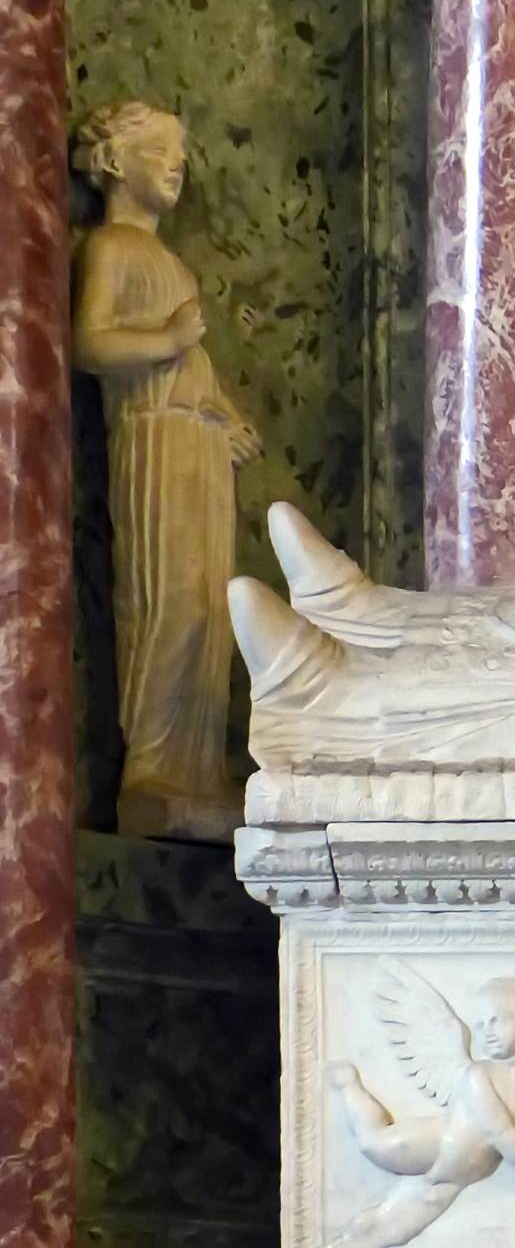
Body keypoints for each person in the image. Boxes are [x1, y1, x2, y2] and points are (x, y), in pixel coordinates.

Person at [73, 102, 259, 838]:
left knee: (211, 608)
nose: (177, 165)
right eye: (160, 151)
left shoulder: (171, 259)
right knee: (168, 602)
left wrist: (222, 416)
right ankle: (150, 770)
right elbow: (89, 344)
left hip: (197, 447)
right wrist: (167, 336)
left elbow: (192, 362)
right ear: (117, 164)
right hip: (151, 443)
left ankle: (198, 767)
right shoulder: (109, 248)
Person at [315, 948, 515, 1248]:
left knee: (394, 1231)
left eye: (496, 1020)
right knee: (373, 1142)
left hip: (453, 1178)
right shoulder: (478, 1075)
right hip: (435, 1146)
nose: (486, 1031)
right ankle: (348, 1086)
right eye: (480, 1024)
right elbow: (501, 1134)